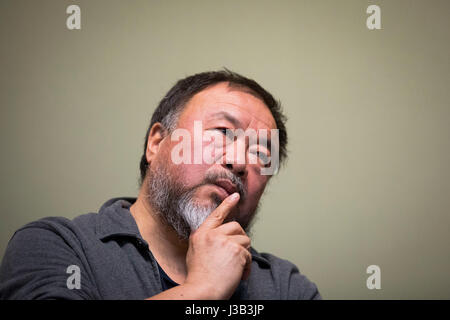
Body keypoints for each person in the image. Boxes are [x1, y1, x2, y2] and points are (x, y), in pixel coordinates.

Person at [0, 70, 321, 300]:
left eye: (261, 152)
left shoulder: (286, 287)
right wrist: (202, 289)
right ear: (156, 142)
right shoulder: (59, 248)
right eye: (223, 131)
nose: (239, 161)